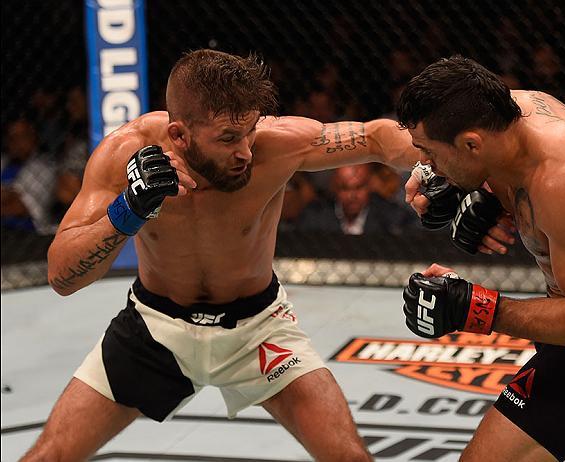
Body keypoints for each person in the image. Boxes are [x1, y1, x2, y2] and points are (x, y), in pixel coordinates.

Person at [23, 49, 514, 462]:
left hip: (259, 330)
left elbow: (380, 137)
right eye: (228, 139)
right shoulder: (123, 154)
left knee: (350, 458)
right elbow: (62, 275)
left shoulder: (277, 145)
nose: (245, 152)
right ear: (179, 135)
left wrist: (441, 171)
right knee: (48, 456)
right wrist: (128, 210)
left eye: (250, 132)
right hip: (155, 329)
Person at [397, 56, 565, 462]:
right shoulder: (510, 112)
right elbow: (389, 139)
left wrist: (473, 308)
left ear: (471, 144)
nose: (428, 163)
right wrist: (451, 180)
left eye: (430, 154)